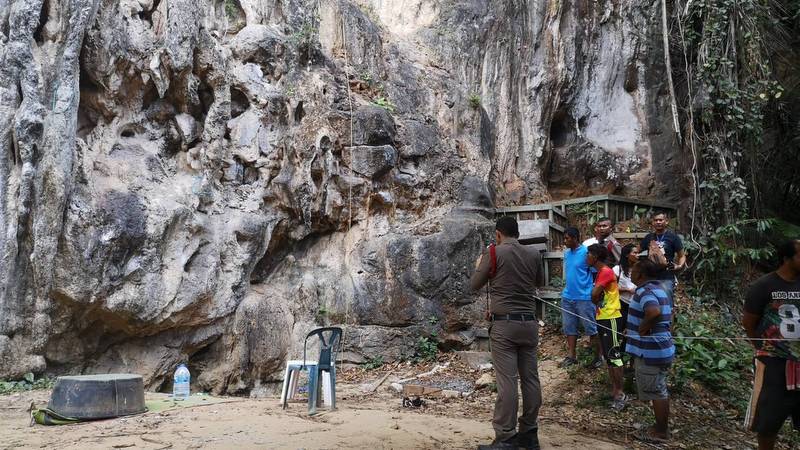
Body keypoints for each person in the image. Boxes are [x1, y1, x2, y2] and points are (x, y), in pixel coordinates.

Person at [470, 216, 542, 450]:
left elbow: (475, 285)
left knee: (507, 381)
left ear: (498, 234)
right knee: (530, 378)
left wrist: (479, 266)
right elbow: (539, 282)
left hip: (505, 327)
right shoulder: (533, 254)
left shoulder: (494, 253)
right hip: (529, 324)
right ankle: (529, 434)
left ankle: (506, 437)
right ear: (517, 233)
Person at [742, 239, 800, 450]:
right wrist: (763, 348)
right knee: (768, 423)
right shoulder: (764, 285)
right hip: (775, 364)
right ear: (787, 258)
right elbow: (749, 322)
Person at [626, 259, 674, 443]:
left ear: (641, 274)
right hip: (660, 347)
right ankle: (659, 427)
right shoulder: (659, 288)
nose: (631, 273)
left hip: (650, 350)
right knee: (659, 388)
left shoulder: (644, 291)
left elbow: (653, 312)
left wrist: (642, 328)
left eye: (634, 270)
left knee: (657, 392)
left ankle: (661, 432)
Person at [586, 244, 627, 411]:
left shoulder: (605, 272)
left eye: (588, 254)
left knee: (614, 355)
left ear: (595, 256)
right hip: (604, 317)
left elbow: (595, 295)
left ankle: (620, 394)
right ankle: (615, 391)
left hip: (610, 317)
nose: (586, 257)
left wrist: (595, 301)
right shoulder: (601, 272)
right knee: (610, 357)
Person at [559, 227, 603, 369]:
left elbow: (597, 272)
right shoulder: (566, 254)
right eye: (564, 238)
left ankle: (597, 357)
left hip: (584, 297)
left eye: (567, 238)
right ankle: (572, 356)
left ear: (575, 238)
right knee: (569, 327)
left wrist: (594, 291)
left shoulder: (586, 252)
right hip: (568, 296)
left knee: (591, 328)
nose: (565, 241)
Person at [639, 212, 685, 300]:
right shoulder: (649, 237)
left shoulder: (673, 237)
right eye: (656, 220)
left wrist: (679, 266)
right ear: (652, 222)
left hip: (667, 276)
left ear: (666, 222)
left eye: (661, 220)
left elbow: (682, 255)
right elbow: (637, 251)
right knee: (651, 301)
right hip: (650, 276)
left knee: (666, 301)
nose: (658, 222)